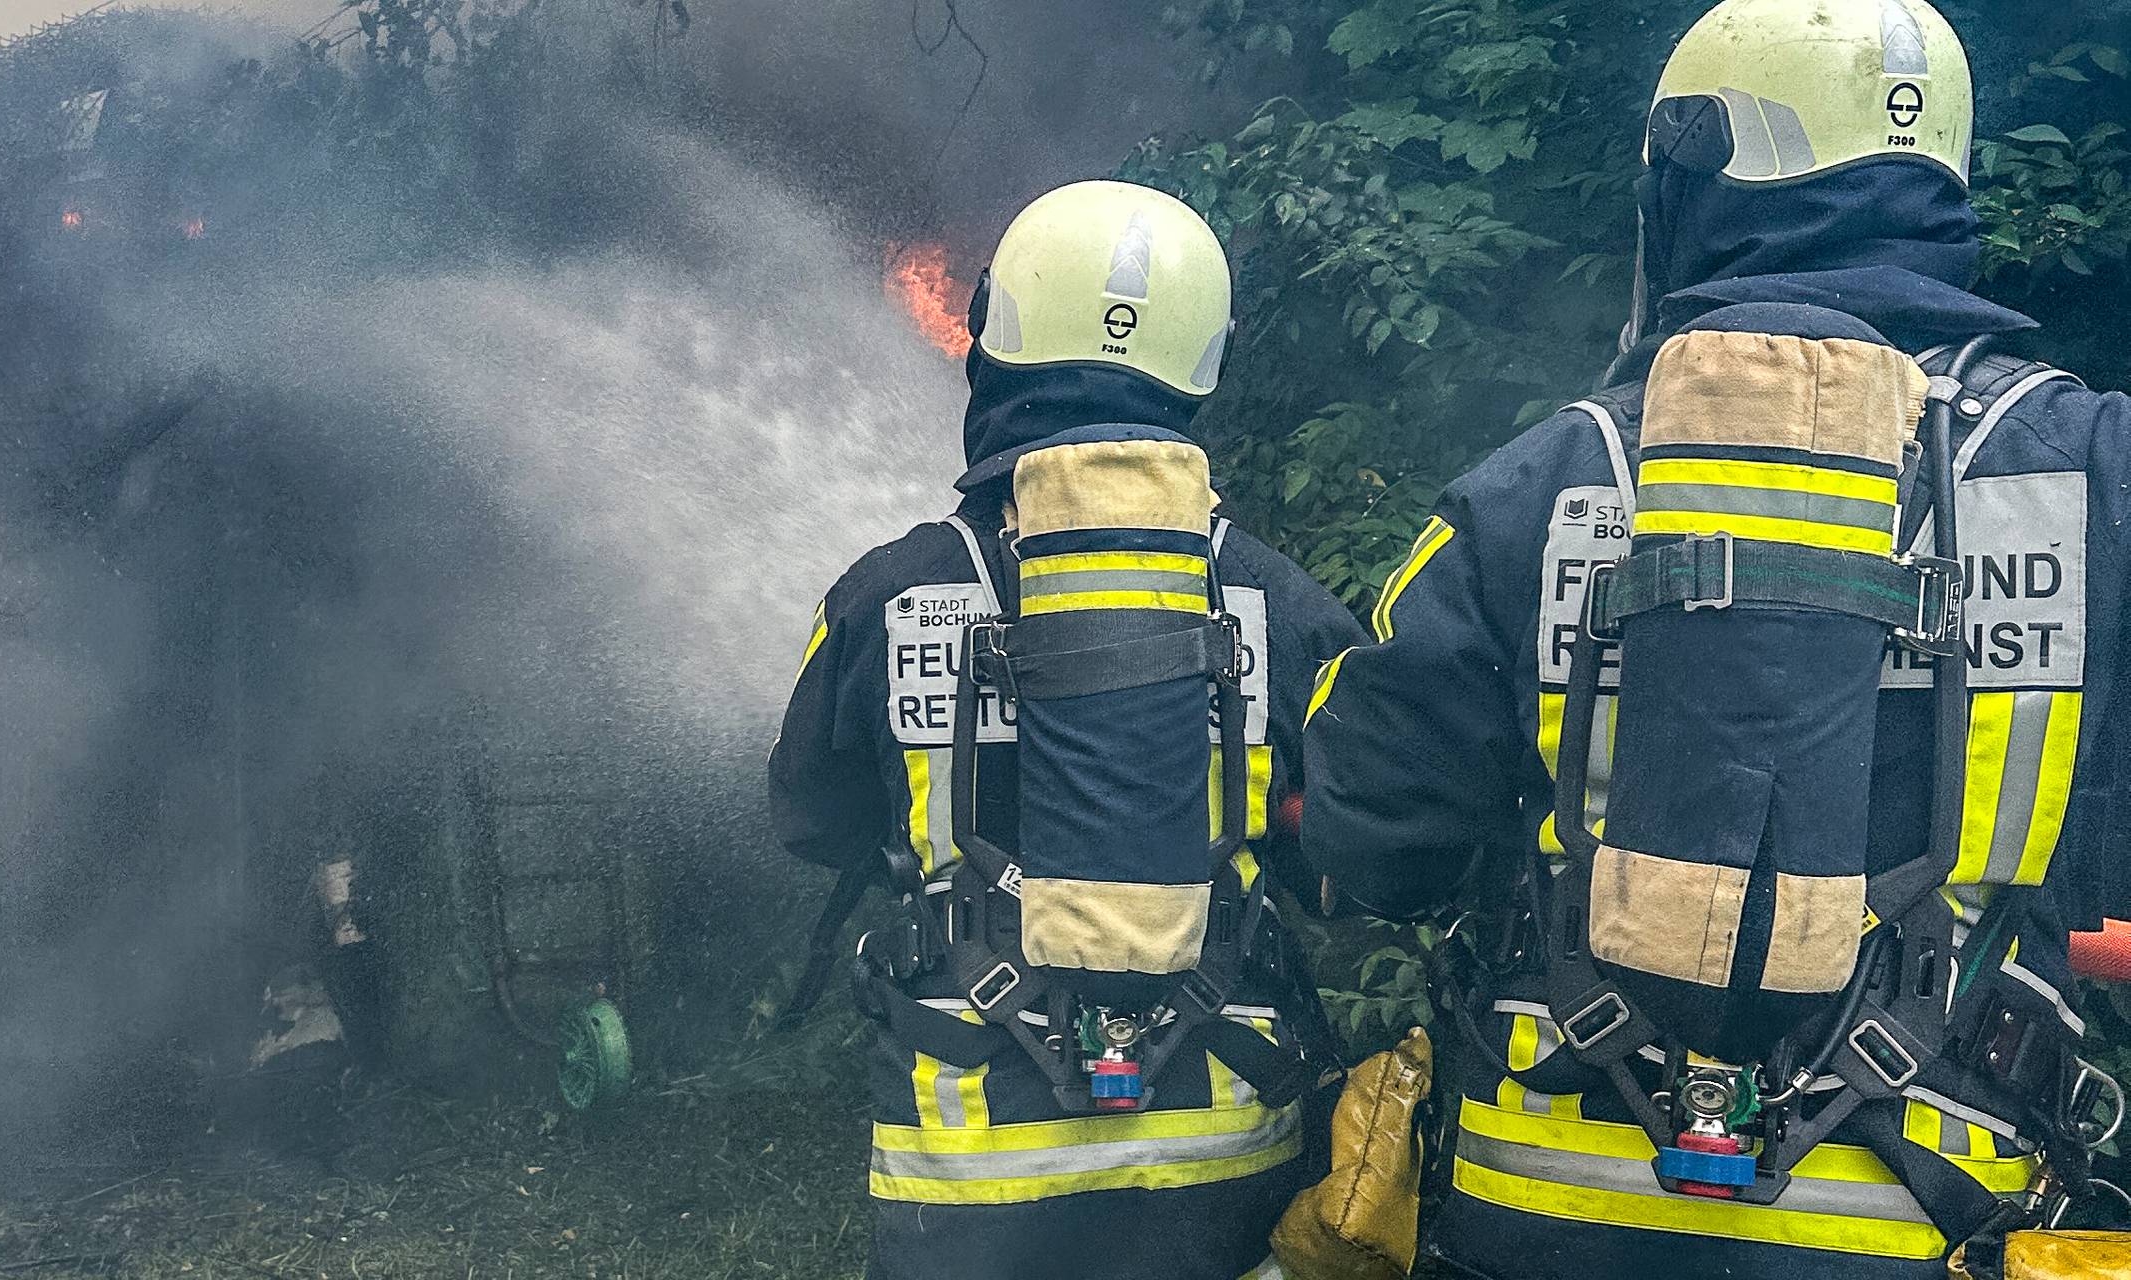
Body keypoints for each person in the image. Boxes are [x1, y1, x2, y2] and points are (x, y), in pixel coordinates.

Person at [1300, 3, 2131, 1277]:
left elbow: (1374, 826)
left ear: (1699, 172)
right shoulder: (2099, 478)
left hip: (1545, 1203)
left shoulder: (1552, 476)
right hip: (1935, 1219)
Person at [770, 179, 1364, 1280]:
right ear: (1200, 367)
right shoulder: (1274, 599)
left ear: (995, 342)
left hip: (971, 1159)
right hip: (1223, 1141)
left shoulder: (890, 594)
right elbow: (1343, 846)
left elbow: (810, 814)